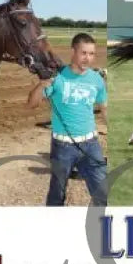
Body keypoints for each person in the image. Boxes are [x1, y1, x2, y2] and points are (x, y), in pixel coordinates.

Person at [28, 32, 107, 207]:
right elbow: (32, 104)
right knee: (57, 193)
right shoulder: (58, 77)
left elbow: (104, 107)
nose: (88, 58)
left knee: (102, 193)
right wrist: (41, 84)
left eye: (92, 54)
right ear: (73, 52)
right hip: (63, 147)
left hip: (91, 145)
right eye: (83, 53)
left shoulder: (96, 79)